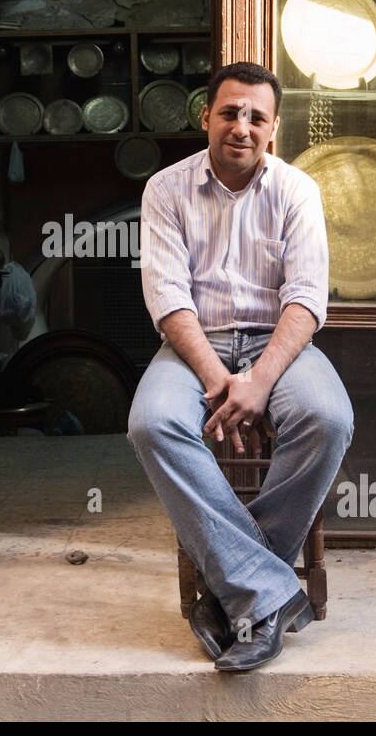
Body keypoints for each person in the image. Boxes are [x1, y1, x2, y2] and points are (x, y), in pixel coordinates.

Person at [127, 61, 353, 672]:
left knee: (328, 418)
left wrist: (258, 380)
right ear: (206, 117)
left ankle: (235, 592)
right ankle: (268, 593)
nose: (242, 127)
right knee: (152, 424)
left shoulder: (297, 190)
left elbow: (306, 300)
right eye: (230, 112)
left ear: (273, 128)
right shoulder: (165, 189)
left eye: (256, 116)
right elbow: (167, 297)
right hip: (192, 344)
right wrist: (216, 376)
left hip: (277, 343)